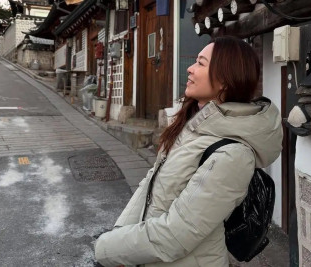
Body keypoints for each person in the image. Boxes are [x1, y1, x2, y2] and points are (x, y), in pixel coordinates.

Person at [95, 36, 283, 267]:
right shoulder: (194, 125)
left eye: (201, 64)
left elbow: (176, 235)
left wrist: (106, 248)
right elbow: (150, 183)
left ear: (225, 80)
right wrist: (120, 234)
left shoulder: (234, 154)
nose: (191, 69)